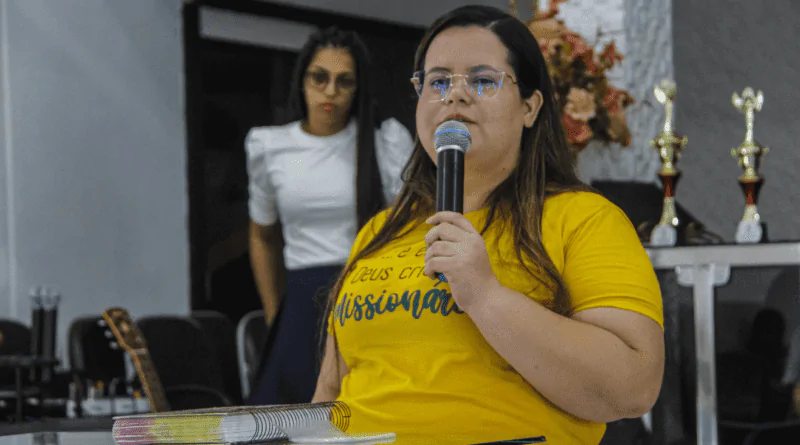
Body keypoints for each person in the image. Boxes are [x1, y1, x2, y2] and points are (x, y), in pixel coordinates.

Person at [311, 6, 664, 445]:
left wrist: (485, 296)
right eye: (437, 81)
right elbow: (331, 391)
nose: (454, 96)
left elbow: (633, 388)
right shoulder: (379, 230)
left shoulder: (584, 218)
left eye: (482, 80)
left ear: (530, 107)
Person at [245, 27, 415, 405]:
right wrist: (276, 314)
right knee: (289, 417)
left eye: (344, 81)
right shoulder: (269, 146)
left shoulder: (385, 140)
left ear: (358, 88)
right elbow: (262, 235)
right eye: (319, 78)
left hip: (370, 295)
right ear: (302, 79)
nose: (330, 92)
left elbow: (407, 231)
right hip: (302, 300)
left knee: (367, 414)